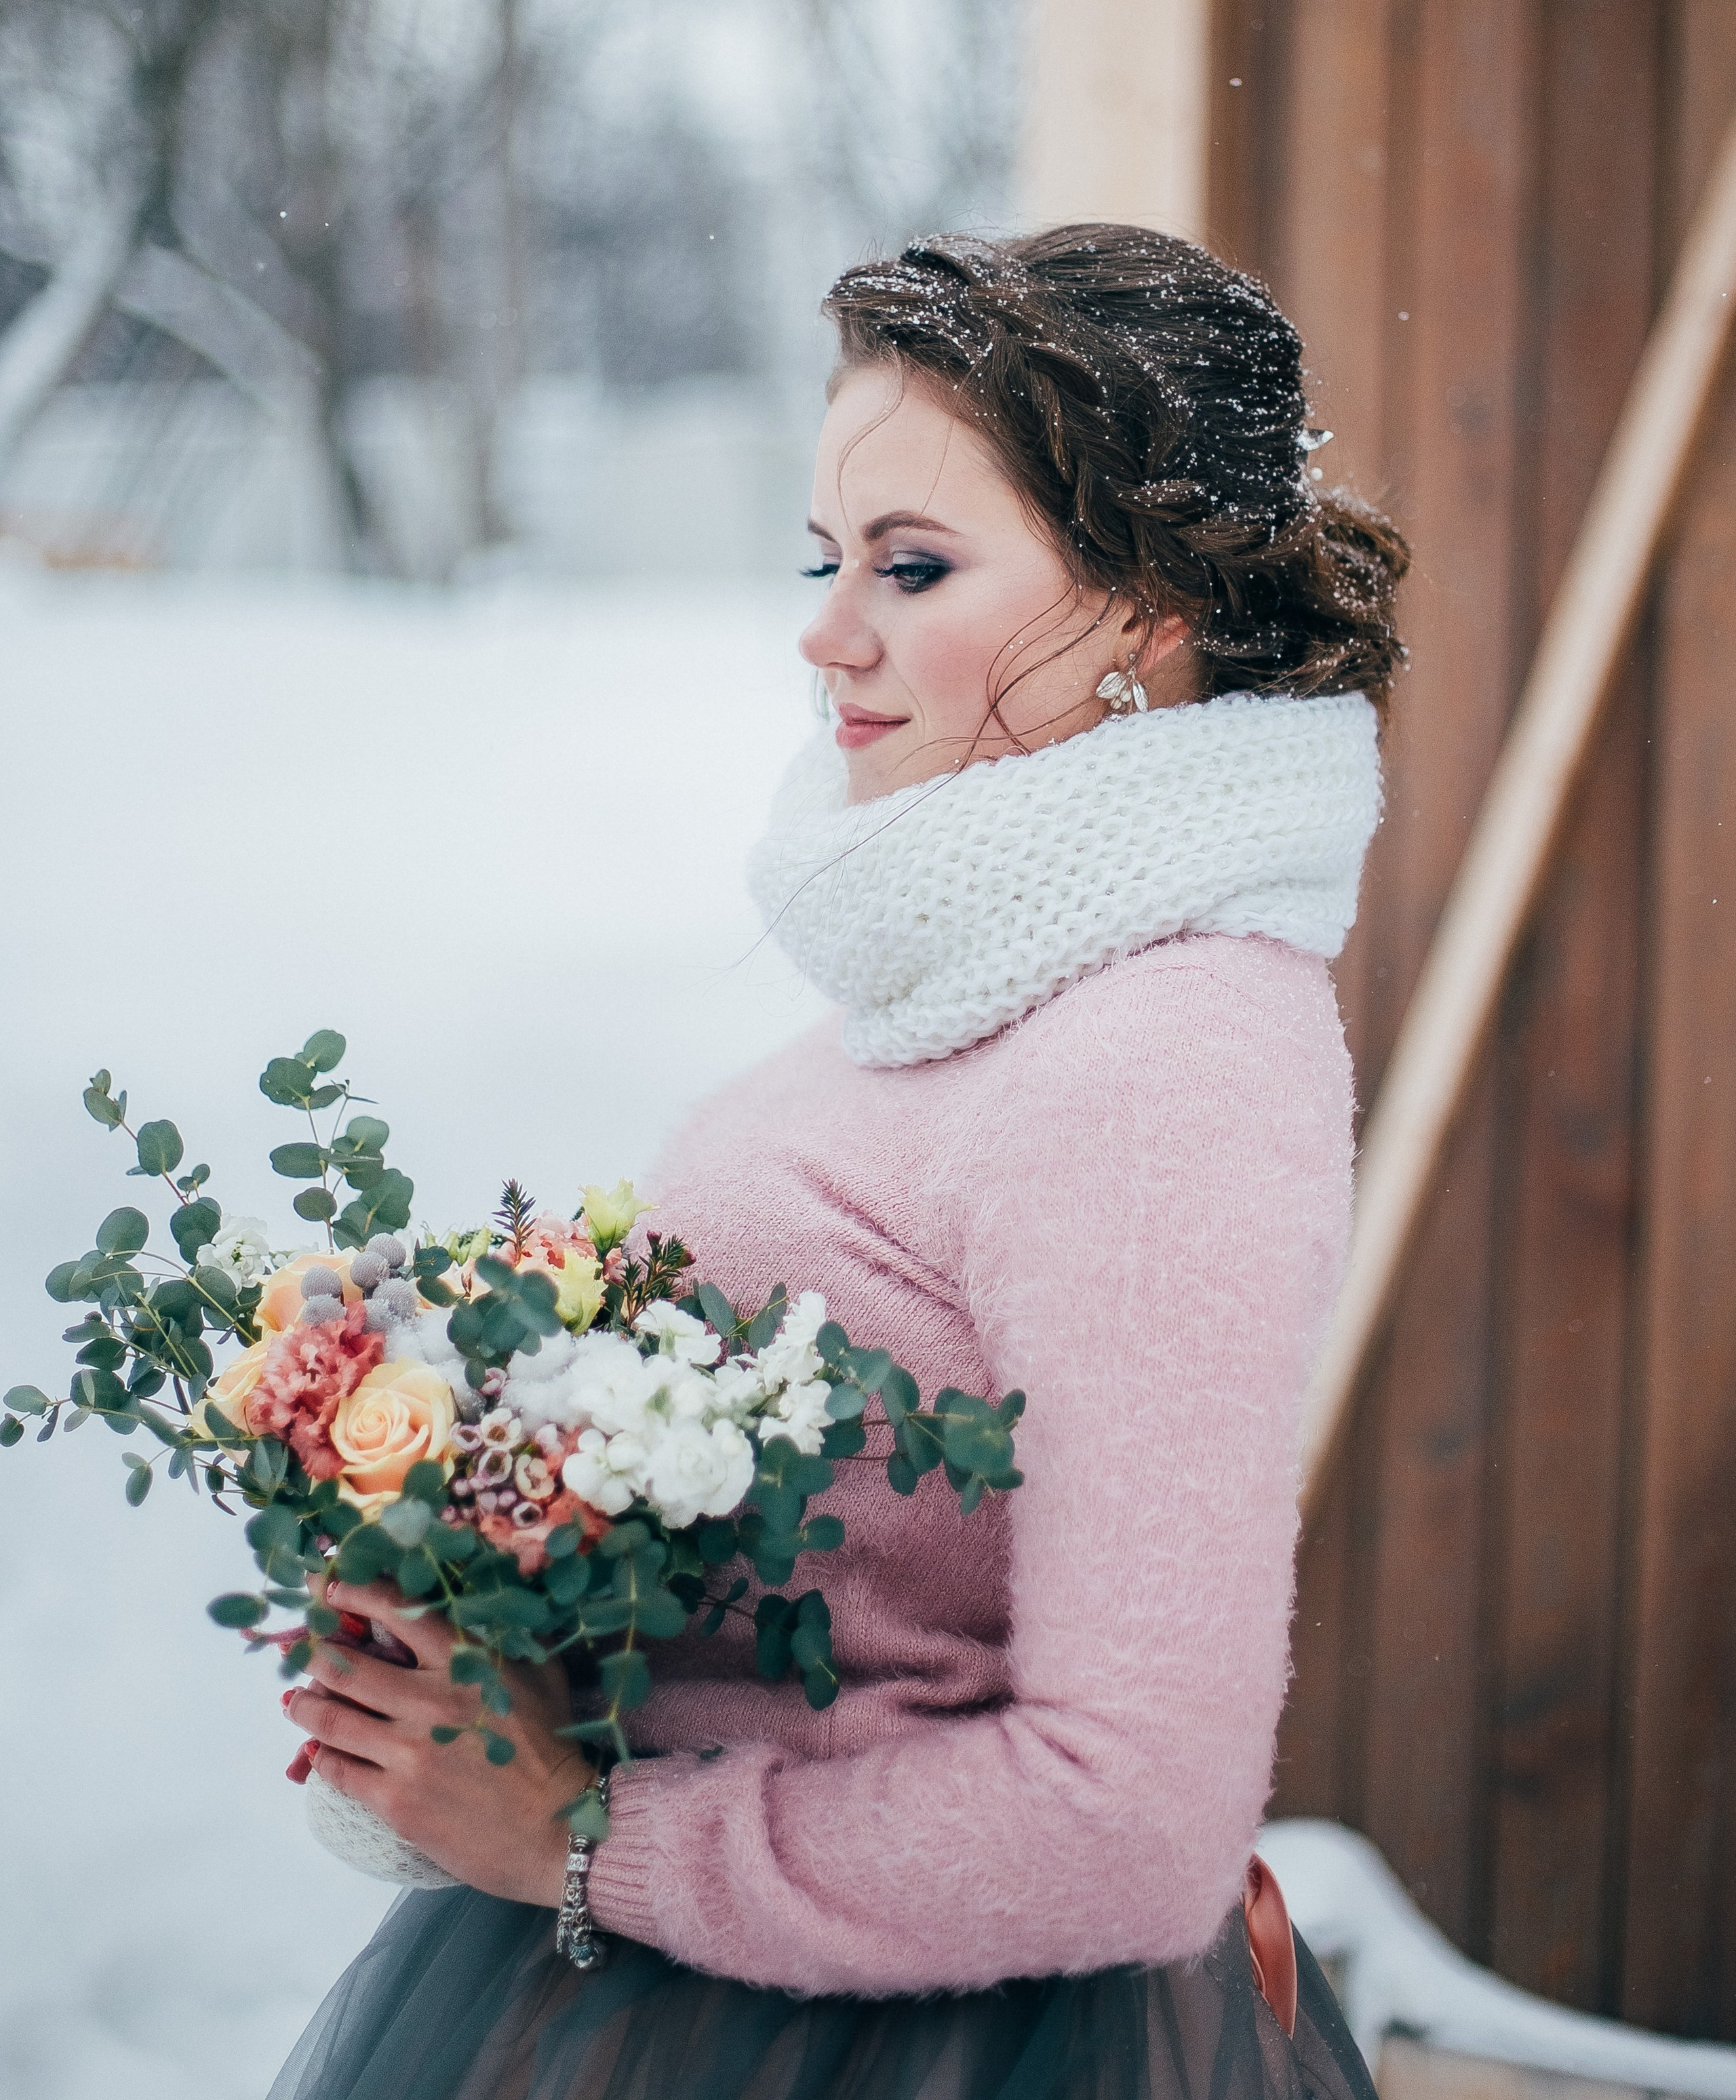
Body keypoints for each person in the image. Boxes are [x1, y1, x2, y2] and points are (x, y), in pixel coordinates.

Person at [271, 224, 1409, 2100]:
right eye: (827, 557)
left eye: (912, 564)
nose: (824, 630)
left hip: (912, 2049)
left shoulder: (1167, 1052)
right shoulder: (966, 963)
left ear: (1150, 606)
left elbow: (1134, 1810)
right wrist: (481, 1566)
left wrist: (586, 1834)